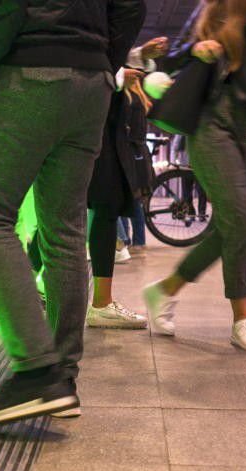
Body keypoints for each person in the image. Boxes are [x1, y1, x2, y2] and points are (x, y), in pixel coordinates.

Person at [0, 0, 146, 429]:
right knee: (65, 230)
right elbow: (131, 6)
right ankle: (62, 377)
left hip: (27, 71)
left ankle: (37, 373)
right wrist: (101, 60)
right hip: (91, 83)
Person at [142, 0, 246, 353]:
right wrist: (195, 50)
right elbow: (171, 59)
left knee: (231, 224)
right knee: (240, 219)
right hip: (210, 120)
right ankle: (242, 318)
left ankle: (165, 290)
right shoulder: (212, 5)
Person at [87, 57, 162, 331]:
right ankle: (99, 304)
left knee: (101, 212)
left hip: (100, 138)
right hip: (95, 138)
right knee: (96, 212)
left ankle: (100, 302)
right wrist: (118, 77)